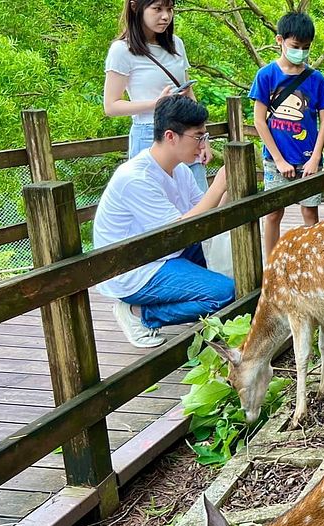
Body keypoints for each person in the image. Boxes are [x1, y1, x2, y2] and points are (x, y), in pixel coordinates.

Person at [94, 96, 235, 348]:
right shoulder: (135, 178)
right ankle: (139, 313)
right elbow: (180, 229)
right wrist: (218, 186)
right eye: (198, 137)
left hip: (166, 251)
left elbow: (203, 218)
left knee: (238, 265)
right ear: (171, 136)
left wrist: (228, 189)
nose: (203, 145)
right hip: (135, 268)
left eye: (205, 137)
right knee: (225, 292)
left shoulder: (180, 169)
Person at [251, 12, 324, 253]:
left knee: (310, 213)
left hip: (307, 157)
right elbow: (259, 120)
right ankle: (273, 268)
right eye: (296, 46)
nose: (301, 51)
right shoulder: (266, 75)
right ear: (280, 40)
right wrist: (278, 159)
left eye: (306, 47)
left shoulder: (316, 79)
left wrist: (315, 159)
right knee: (273, 214)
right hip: (275, 158)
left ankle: (316, 265)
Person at [104, 0, 210, 193]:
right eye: (157, 9)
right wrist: (156, 104)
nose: (165, 16)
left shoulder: (176, 44)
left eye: (169, 9)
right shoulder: (122, 50)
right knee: (155, 211)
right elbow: (111, 106)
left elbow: (188, 94)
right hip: (149, 135)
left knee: (198, 207)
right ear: (136, 7)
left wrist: (202, 139)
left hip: (186, 134)